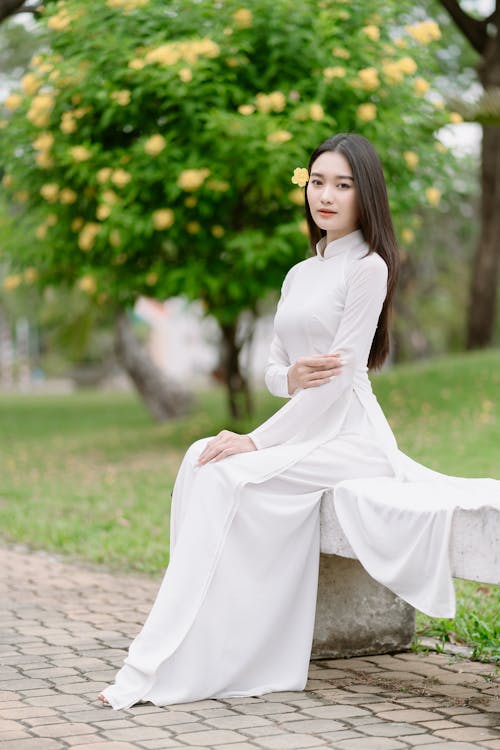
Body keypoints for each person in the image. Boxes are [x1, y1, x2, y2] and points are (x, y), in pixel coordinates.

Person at [99, 133, 499, 710]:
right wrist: (287, 383)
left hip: (350, 436)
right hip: (304, 426)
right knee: (199, 459)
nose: (326, 195)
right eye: (317, 182)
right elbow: (272, 369)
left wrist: (256, 439)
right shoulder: (297, 274)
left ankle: (222, 648)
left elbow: (338, 384)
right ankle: (200, 636)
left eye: (342, 184)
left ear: (367, 195)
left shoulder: (367, 268)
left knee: (227, 473)